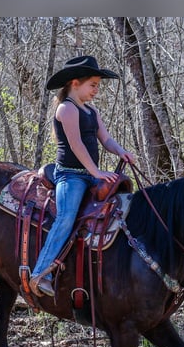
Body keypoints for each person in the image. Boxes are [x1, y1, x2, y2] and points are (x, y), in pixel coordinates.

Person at [29, 55, 136, 298]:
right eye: (93, 85)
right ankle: (41, 271)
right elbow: (76, 145)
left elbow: (105, 139)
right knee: (66, 217)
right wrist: (96, 172)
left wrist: (122, 152)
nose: (97, 90)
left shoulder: (91, 111)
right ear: (75, 83)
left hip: (88, 174)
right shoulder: (66, 108)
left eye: (98, 85)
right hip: (70, 175)